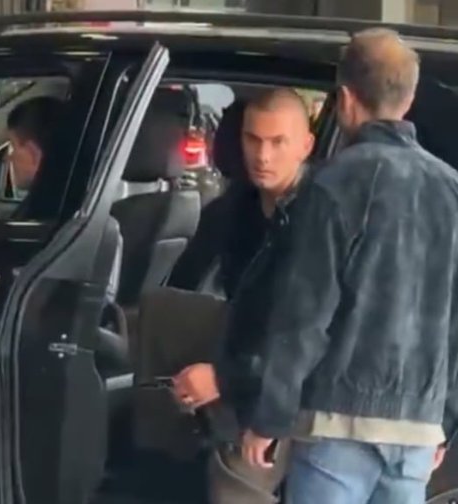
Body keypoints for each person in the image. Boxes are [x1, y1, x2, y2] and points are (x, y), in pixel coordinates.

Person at [239, 29, 458, 504]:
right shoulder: (457, 193)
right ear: (408, 99)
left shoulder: (334, 184)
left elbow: (304, 316)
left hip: (338, 424)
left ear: (346, 99)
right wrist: (446, 421)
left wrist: (269, 417)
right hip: (417, 428)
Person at [169, 88, 314, 504]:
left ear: (305, 146)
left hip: (290, 402)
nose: (262, 156)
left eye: (277, 142)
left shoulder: (316, 218)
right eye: (253, 140)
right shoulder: (237, 211)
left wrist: (225, 379)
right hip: (251, 388)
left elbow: (304, 332)